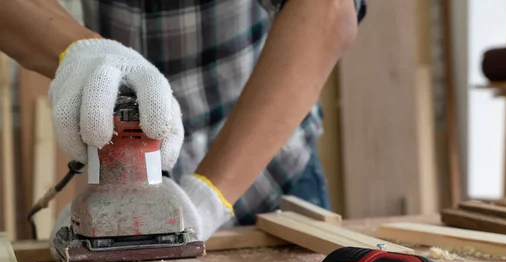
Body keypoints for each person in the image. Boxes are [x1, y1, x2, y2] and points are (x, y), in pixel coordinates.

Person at [0, 0, 366, 245]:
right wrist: (78, 50)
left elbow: (328, 10)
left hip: (266, 178)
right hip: (125, 182)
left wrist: (210, 196)